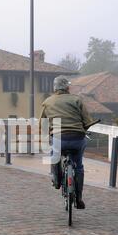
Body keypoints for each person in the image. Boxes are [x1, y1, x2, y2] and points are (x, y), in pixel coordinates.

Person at [40, 76, 94, 210]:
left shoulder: (47, 102)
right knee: (79, 166)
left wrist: (49, 134)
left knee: (54, 156)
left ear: (54, 88)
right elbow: (87, 121)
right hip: (77, 138)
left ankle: (57, 180)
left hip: (59, 139)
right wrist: (83, 129)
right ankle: (79, 198)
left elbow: (43, 123)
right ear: (67, 88)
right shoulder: (76, 100)